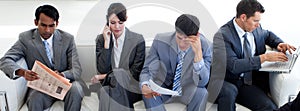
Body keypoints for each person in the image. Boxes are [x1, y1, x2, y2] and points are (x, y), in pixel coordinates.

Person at [209, 0, 297, 111]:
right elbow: (234, 66)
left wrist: (279, 43)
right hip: (227, 81)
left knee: (270, 107)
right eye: (255, 21)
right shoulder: (222, 36)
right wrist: (264, 58)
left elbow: (267, 34)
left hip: (246, 83)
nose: (258, 24)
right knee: (229, 93)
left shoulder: (255, 29)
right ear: (243, 17)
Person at [0, 4, 90, 111]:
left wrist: (61, 75)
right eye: (43, 25)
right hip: (41, 86)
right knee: (34, 98)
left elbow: (76, 70)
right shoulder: (25, 39)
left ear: (57, 23)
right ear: (36, 22)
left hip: (66, 83)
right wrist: (22, 72)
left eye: (51, 26)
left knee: (76, 90)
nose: (47, 30)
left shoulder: (68, 39)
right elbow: (5, 60)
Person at [139, 14, 212, 111]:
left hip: (188, 89)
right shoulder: (160, 40)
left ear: (196, 36)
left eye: (186, 40)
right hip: (163, 88)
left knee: (201, 93)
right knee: (149, 94)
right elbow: (147, 70)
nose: (182, 43)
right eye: (179, 38)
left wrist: (198, 55)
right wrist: (145, 84)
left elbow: (202, 82)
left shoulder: (206, 45)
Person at [90, 3, 145, 111]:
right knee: (106, 91)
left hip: (129, 87)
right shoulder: (101, 39)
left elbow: (134, 73)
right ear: (107, 21)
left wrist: (101, 77)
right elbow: (102, 69)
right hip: (108, 85)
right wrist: (106, 43)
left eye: (121, 22)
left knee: (108, 90)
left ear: (126, 19)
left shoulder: (137, 40)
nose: (117, 27)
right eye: (113, 23)